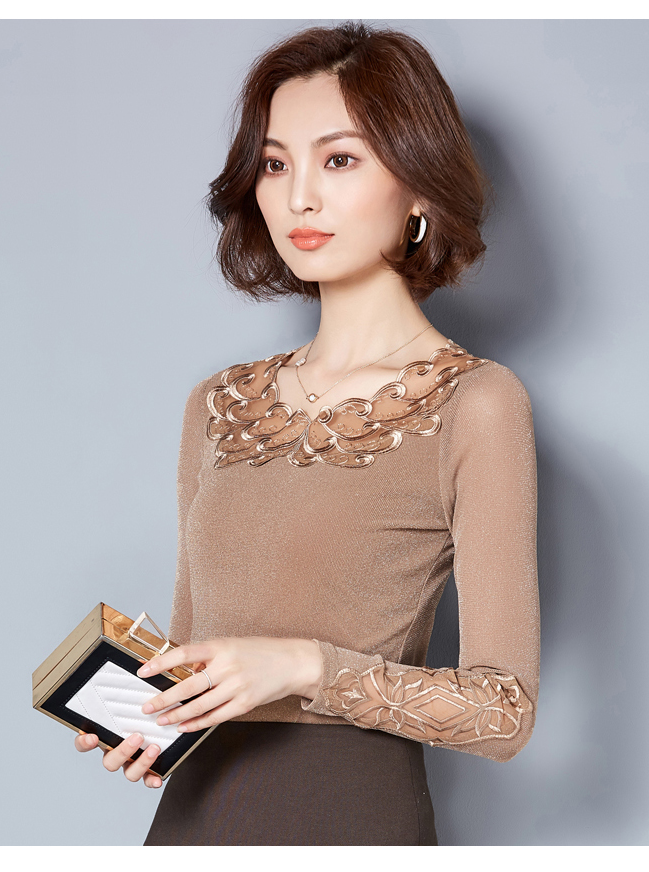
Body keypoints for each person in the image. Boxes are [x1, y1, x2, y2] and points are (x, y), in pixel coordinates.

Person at [75, 21, 540, 846]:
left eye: (340, 160)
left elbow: (504, 713)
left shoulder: (476, 401)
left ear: (420, 186)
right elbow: (194, 654)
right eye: (275, 164)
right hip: (195, 820)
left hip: (351, 816)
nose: (299, 198)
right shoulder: (218, 402)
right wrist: (150, 714)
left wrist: (305, 665)